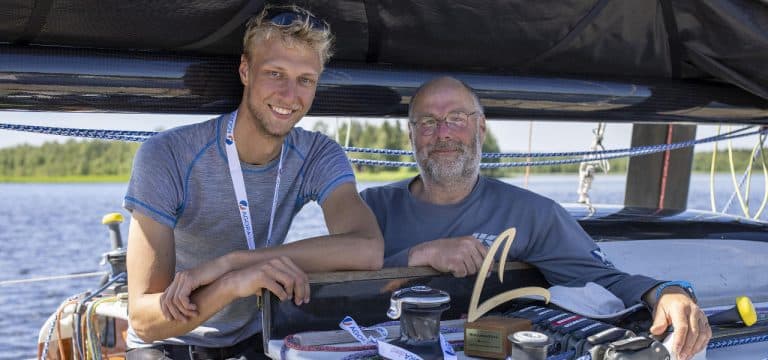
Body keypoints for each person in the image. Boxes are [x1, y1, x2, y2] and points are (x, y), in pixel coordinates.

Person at [360, 76, 711, 360]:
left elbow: (603, 280)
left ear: (481, 129)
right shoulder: (371, 207)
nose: (443, 133)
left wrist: (666, 292)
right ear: (411, 135)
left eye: (456, 118)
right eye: (427, 122)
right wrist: (420, 256)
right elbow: (329, 293)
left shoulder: (533, 214)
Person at [123, 5, 383, 359]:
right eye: (275, 73)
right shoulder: (167, 154)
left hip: (255, 336)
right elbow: (144, 320)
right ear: (245, 70)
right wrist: (231, 283)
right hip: (171, 341)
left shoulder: (318, 154)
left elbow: (367, 250)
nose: (290, 96)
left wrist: (233, 262)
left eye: (305, 80)